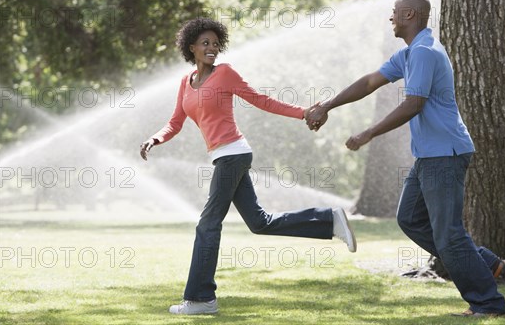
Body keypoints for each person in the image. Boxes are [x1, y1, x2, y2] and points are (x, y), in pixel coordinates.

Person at [306, 0, 505, 317]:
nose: (390, 18)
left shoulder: (426, 53)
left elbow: (414, 103)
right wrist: (328, 105)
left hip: (445, 154)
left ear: (409, 14)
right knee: (410, 219)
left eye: (394, 13)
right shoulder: (409, 53)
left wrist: (368, 133)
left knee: (448, 235)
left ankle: (488, 302)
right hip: (430, 155)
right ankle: (484, 262)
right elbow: (371, 81)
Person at [140, 18, 356, 316]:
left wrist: (303, 111)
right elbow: (176, 121)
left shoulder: (225, 74)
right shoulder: (185, 83)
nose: (212, 48)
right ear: (191, 47)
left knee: (207, 223)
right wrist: (156, 138)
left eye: (216, 43)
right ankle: (328, 220)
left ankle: (201, 299)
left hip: (234, 154)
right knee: (260, 223)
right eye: (205, 43)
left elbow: (261, 100)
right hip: (225, 156)